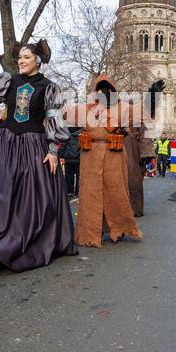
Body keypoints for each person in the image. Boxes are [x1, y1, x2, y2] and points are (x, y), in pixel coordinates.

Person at [0, 41, 77, 271]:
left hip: (34, 145)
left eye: (26, 57)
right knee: (3, 196)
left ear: (38, 61)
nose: (21, 61)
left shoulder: (49, 87)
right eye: (20, 57)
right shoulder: (8, 82)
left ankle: (18, 246)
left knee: (30, 199)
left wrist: (53, 152)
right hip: (5, 143)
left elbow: (54, 120)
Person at [65, 74, 141, 248]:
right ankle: (91, 231)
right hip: (90, 156)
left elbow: (140, 114)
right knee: (90, 193)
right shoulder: (87, 109)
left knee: (116, 192)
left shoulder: (122, 108)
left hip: (114, 154)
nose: (104, 93)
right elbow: (64, 114)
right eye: (100, 89)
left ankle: (120, 228)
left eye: (107, 89)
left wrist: (152, 100)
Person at [60, 125, 81, 197]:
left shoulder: (66, 133)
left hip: (68, 158)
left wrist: (61, 155)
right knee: (79, 176)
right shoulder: (82, 133)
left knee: (68, 176)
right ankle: (78, 192)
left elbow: (63, 145)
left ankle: (69, 191)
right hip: (79, 158)